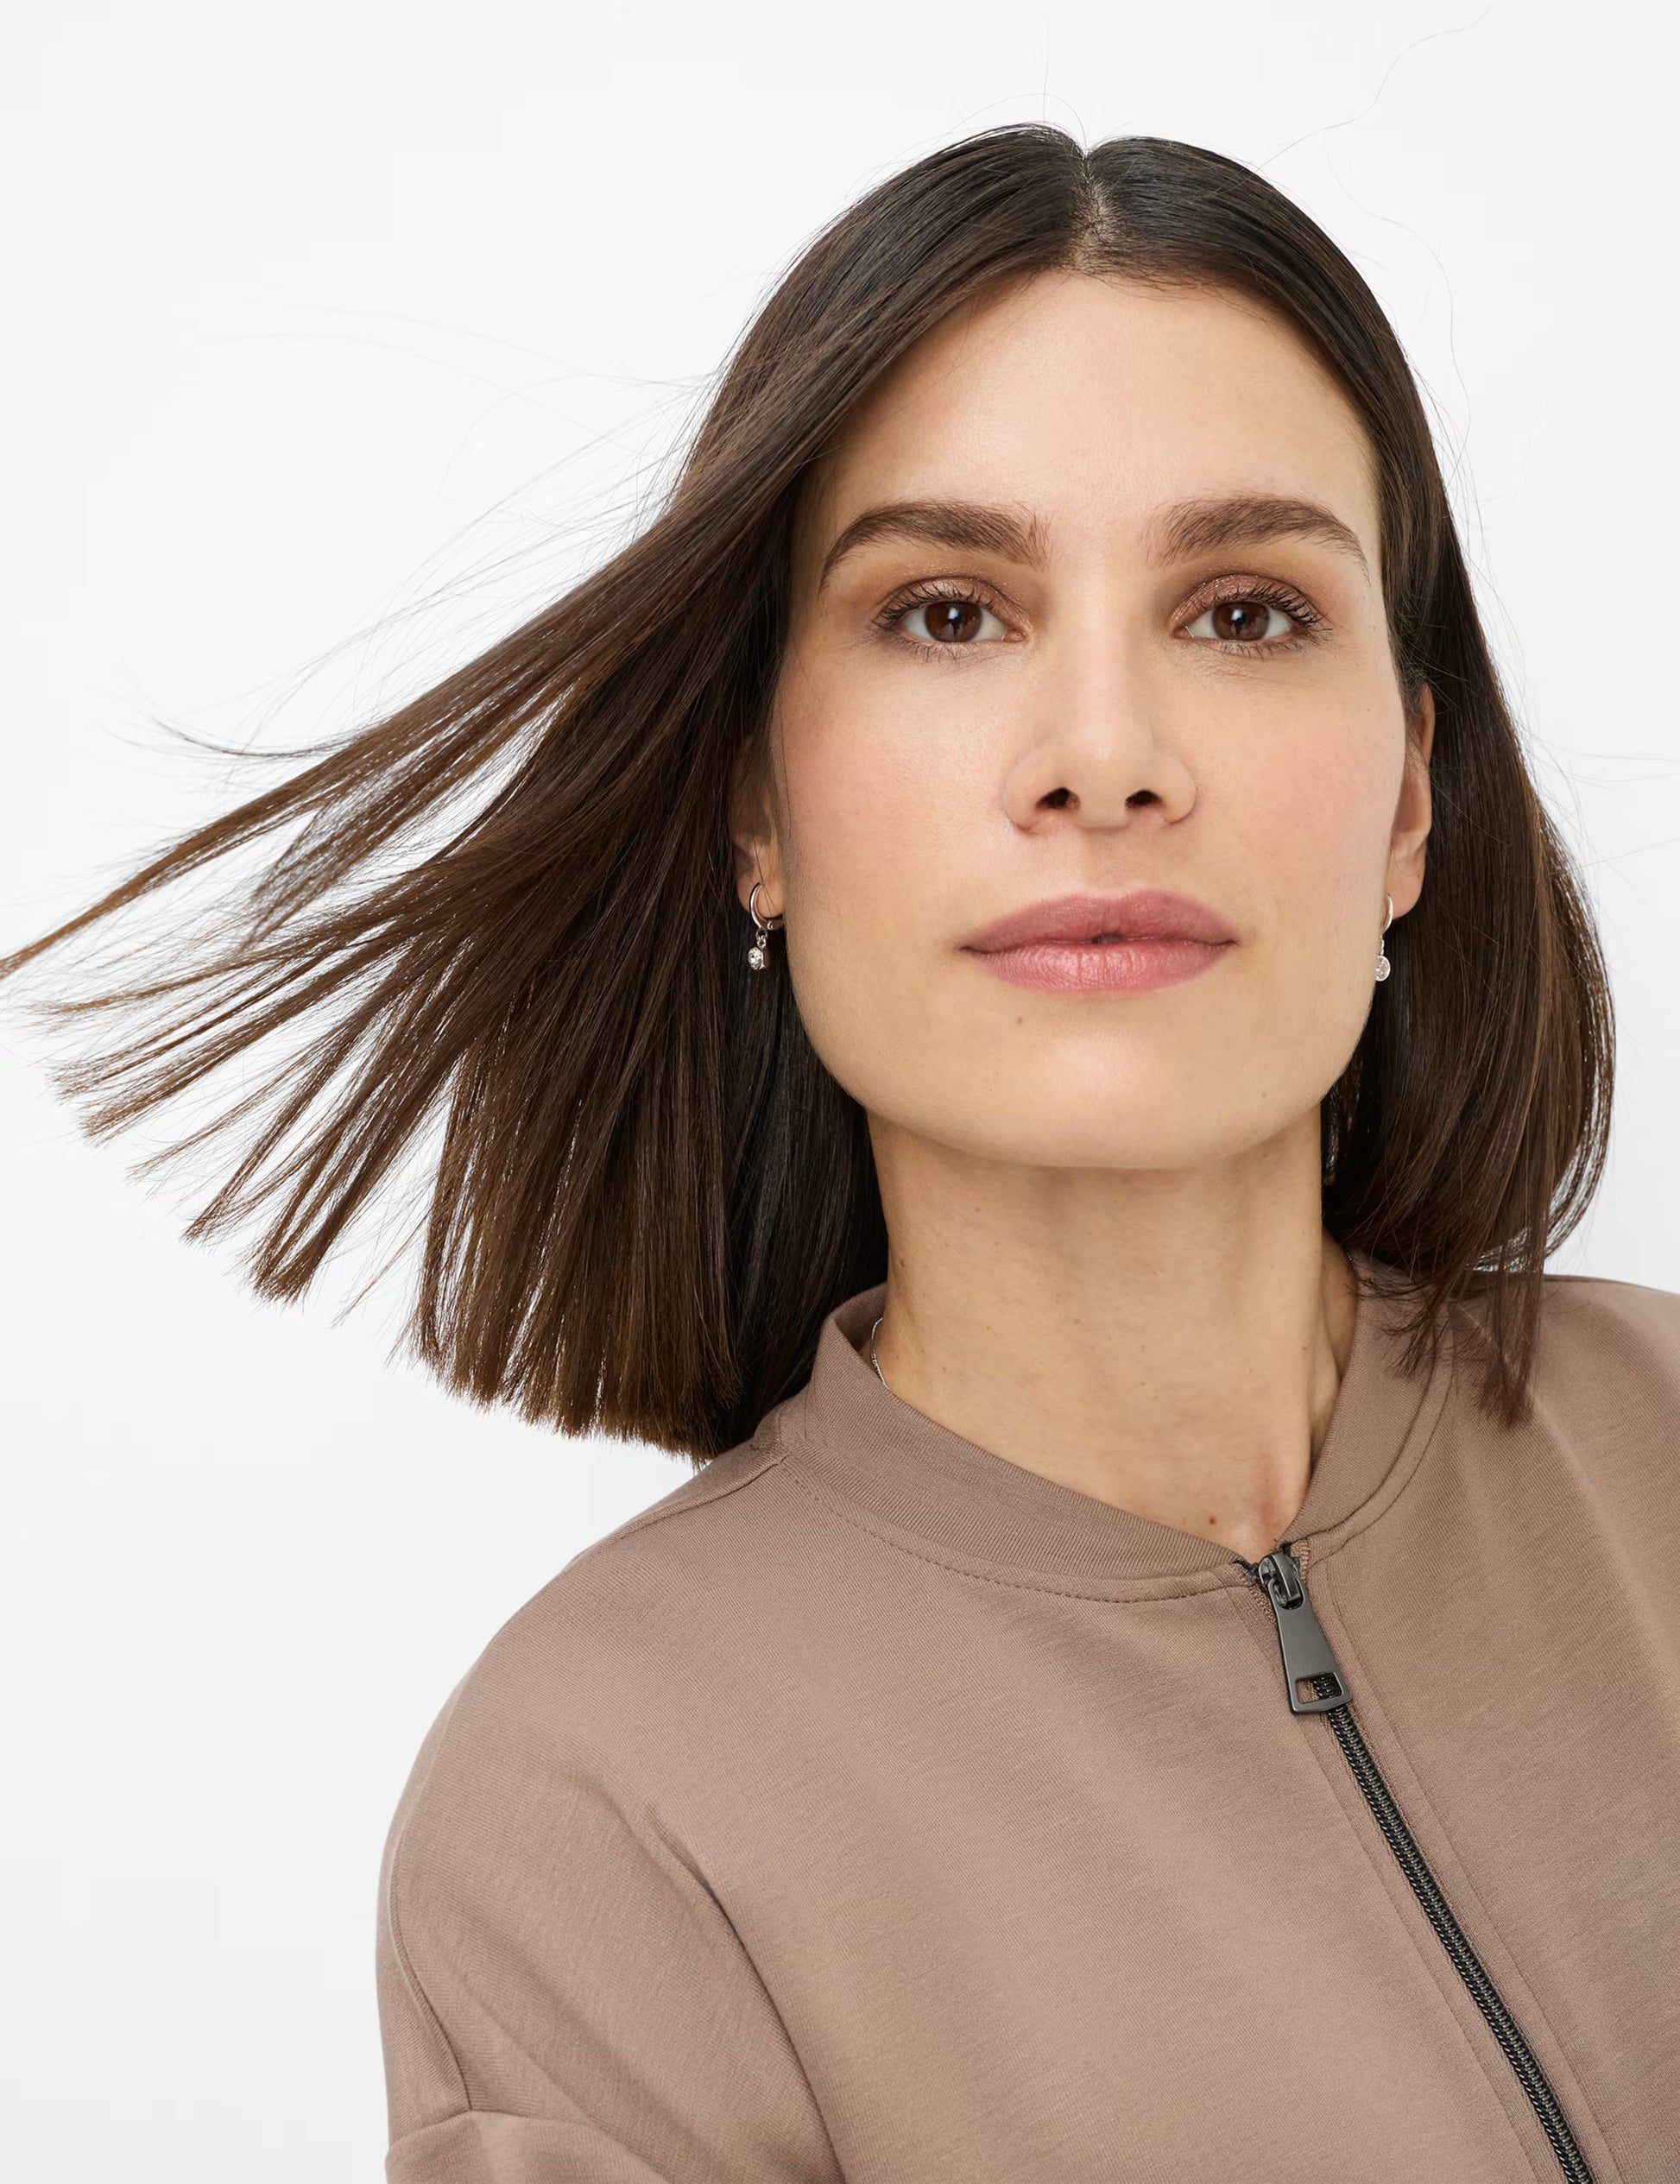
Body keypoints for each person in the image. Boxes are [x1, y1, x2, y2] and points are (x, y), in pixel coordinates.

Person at [6, 127, 1676, 2180]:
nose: (1102, 754)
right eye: (948, 611)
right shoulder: (601, 1812)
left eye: (1243, 611)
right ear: (756, 814)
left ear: (1410, 797)